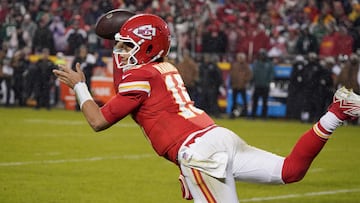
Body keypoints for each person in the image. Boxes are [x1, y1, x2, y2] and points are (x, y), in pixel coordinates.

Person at [53, 13, 360, 203]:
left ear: (146, 49)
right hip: (217, 135)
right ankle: (336, 112)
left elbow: (98, 120)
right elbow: (135, 78)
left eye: (125, 47)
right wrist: (134, 28)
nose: (119, 54)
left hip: (198, 152)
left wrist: (80, 86)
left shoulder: (141, 77)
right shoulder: (165, 68)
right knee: (289, 171)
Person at [250, 49, 274, 118]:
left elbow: (272, 74)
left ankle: (264, 116)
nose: (261, 56)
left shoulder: (269, 64)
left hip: (265, 86)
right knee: (255, 102)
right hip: (257, 85)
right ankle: (253, 115)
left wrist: (268, 81)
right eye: (260, 55)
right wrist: (253, 81)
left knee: (265, 102)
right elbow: (253, 73)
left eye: (263, 55)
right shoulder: (256, 63)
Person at [229, 52, 252, 118]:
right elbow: (232, 75)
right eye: (239, 57)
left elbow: (249, 75)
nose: (240, 59)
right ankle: (232, 114)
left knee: (244, 101)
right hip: (235, 86)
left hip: (242, 86)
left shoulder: (246, 66)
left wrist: (245, 81)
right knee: (234, 101)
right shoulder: (234, 65)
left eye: (241, 58)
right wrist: (233, 82)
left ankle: (246, 114)